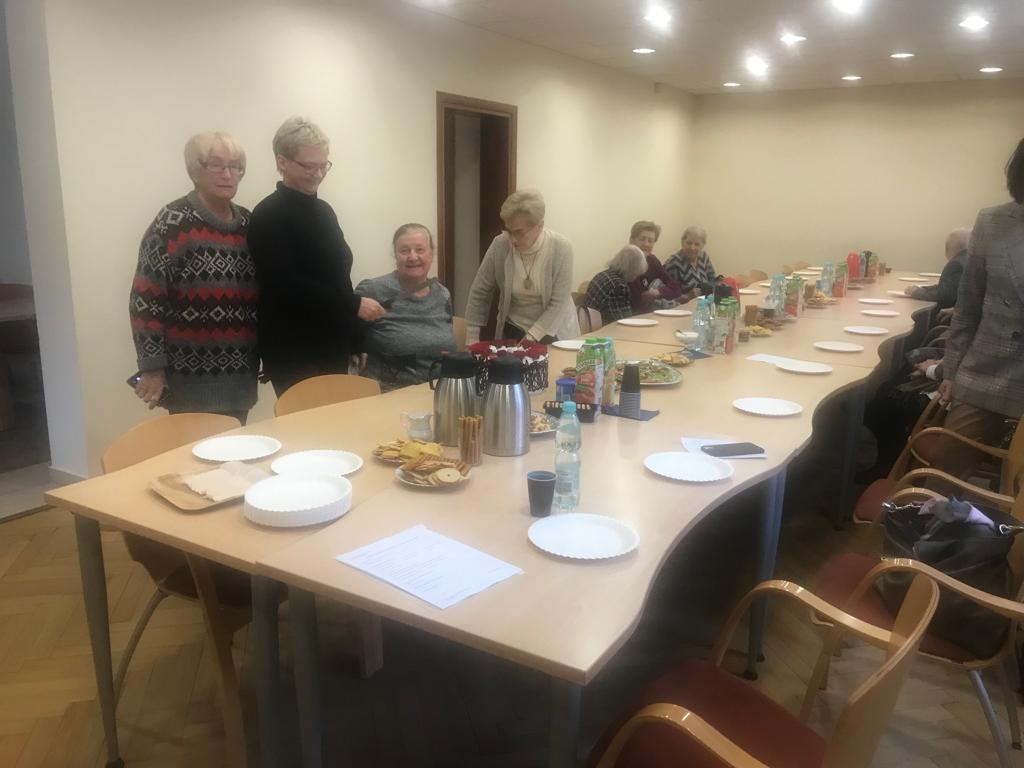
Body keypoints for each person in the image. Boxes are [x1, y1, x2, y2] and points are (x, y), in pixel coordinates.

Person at [247, 116, 384, 396]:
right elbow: (285, 284)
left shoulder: (325, 212)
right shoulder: (268, 214)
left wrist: (355, 337)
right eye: (309, 166)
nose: (318, 174)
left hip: (332, 341)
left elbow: (340, 278)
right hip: (292, 348)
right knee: (306, 421)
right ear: (282, 161)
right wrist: (353, 304)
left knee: (337, 419)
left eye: (324, 165)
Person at [129, 131, 258, 424]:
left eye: (235, 166)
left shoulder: (250, 224)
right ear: (194, 171)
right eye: (216, 164)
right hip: (189, 383)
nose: (227, 174)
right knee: (196, 452)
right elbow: (145, 301)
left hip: (241, 378)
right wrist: (152, 367)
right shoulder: (172, 223)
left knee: (237, 448)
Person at [934, 138, 1024, 475]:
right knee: (946, 469)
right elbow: (968, 305)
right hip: (986, 372)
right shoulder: (993, 222)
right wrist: (951, 371)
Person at [464, 189, 580, 344]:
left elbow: (559, 302)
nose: (512, 239)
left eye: (518, 232)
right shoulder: (500, 245)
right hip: (514, 327)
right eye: (508, 231)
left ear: (539, 226)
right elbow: (480, 291)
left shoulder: (561, 248)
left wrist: (530, 339)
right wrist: (471, 339)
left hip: (554, 330)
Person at [355, 224, 456, 391]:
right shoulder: (372, 290)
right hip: (388, 394)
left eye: (420, 250)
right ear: (395, 255)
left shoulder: (443, 294)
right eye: (404, 251)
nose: (413, 257)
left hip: (438, 391)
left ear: (431, 254)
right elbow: (346, 331)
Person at [904, 228, 970, 307]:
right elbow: (945, 288)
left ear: (947, 248)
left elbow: (943, 295)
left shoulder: (956, 264)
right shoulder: (968, 259)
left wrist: (916, 292)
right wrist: (923, 289)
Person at [583, 245, 649, 324]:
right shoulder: (619, 286)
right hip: (602, 329)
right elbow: (624, 321)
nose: (636, 276)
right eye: (637, 272)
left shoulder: (602, 274)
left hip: (587, 324)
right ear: (633, 269)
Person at [627, 220, 681, 313]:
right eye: (642, 239)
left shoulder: (652, 261)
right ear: (631, 240)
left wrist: (657, 292)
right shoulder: (626, 263)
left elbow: (676, 288)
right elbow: (635, 302)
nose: (646, 244)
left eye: (650, 241)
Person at [664, 226, 718, 301]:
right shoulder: (674, 262)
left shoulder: (703, 257)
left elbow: (713, 280)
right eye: (689, 243)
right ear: (682, 242)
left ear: (702, 246)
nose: (692, 248)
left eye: (697, 244)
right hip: (684, 306)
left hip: (704, 303)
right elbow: (668, 298)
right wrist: (688, 296)